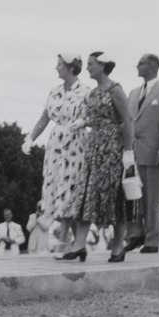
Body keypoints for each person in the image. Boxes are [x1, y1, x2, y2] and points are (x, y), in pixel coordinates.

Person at [59, 52, 135, 263]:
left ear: (102, 66)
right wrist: (83, 123)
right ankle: (80, 244)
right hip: (94, 147)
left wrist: (128, 150)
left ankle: (118, 245)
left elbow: (127, 120)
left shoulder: (115, 89)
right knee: (88, 192)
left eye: (91, 64)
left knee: (114, 194)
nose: (88, 68)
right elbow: (92, 119)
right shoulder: (92, 93)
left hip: (113, 146)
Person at [23, 53, 90, 254]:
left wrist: (84, 122)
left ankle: (65, 240)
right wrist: (30, 138)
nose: (56, 68)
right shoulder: (54, 91)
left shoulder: (86, 91)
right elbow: (45, 118)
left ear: (70, 67)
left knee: (70, 190)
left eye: (59, 64)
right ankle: (76, 244)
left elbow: (95, 116)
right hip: (56, 146)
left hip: (75, 144)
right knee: (57, 190)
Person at [122, 54, 159, 254]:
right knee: (132, 196)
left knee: (152, 199)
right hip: (132, 153)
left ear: (152, 66)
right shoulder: (133, 93)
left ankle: (152, 239)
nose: (137, 66)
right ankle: (134, 234)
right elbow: (127, 122)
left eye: (141, 63)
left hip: (154, 154)